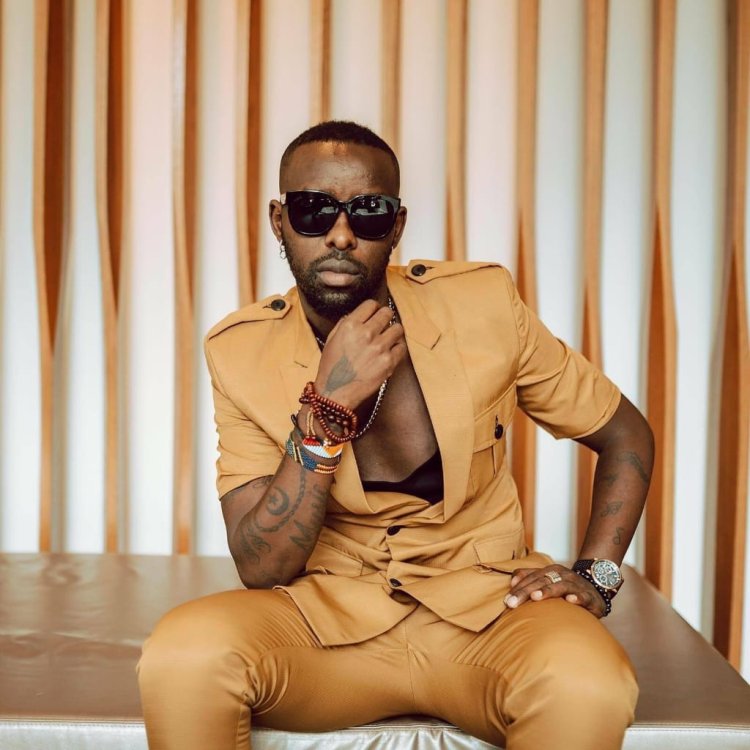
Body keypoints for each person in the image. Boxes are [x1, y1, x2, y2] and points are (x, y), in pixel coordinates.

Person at [138, 120, 654, 750]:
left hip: (490, 613)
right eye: (313, 210)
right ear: (279, 222)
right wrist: (327, 408)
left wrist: (597, 577)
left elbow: (626, 434)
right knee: (183, 657)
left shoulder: (483, 305)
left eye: (369, 212)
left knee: (589, 683)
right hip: (327, 624)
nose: (340, 235)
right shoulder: (239, 351)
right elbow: (261, 564)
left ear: (398, 225)